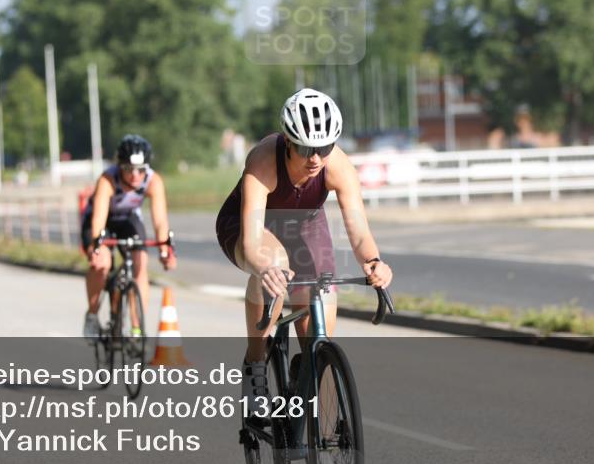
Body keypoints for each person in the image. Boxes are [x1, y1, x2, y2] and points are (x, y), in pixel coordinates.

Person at [215, 88, 394, 411]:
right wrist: (265, 269)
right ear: (287, 140)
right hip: (250, 225)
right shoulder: (263, 160)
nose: (315, 158)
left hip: (305, 224)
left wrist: (373, 261)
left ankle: (308, 382)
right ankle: (256, 366)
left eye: (324, 147)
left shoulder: (337, 164)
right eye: (305, 148)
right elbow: (253, 241)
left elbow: (358, 231)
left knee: (319, 314)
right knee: (275, 262)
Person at [79, 134, 176, 338]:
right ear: (119, 166)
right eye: (128, 169)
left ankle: (136, 327)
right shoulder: (107, 179)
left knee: (141, 261)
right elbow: (98, 219)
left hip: (127, 220)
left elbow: (160, 220)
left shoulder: (154, 181)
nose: (134, 176)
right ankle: (92, 315)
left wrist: (165, 249)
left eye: (140, 170)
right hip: (101, 220)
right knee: (102, 263)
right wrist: (97, 246)